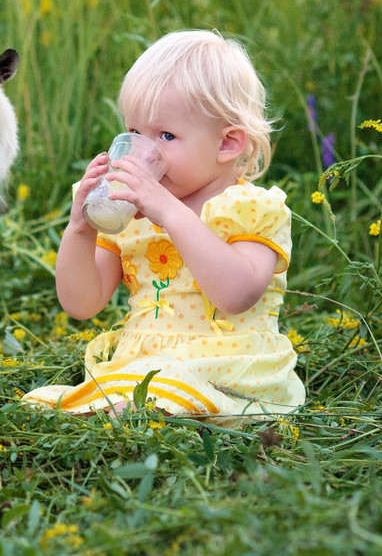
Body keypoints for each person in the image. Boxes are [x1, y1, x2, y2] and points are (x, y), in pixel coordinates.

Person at [22, 30, 305, 423]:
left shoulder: (251, 208)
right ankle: (134, 407)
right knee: (84, 399)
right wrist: (80, 231)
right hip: (147, 363)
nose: (144, 150)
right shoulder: (130, 214)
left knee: (156, 391)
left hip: (232, 366)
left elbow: (237, 294)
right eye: (135, 133)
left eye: (166, 136)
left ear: (227, 145)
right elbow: (82, 303)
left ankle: (146, 409)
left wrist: (170, 213)